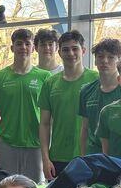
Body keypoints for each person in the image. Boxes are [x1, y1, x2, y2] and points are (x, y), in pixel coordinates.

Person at [0, 28, 50, 181]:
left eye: (27, 44)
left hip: (35, 144)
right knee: (4, 187)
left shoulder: (45, 77)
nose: (23, 48)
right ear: (12, 48)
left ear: (33, 48)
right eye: (19, 44)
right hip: (6, 143)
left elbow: (50, 115)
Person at [38, 30, 98, 178]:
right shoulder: (50, 82)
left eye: (75, 48)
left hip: (89, 156)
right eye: (65, 49)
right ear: (59, 53)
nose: (70, 53)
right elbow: (44, 124)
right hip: (58, 156)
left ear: (83, 51)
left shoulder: (95, 80)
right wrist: (45, 159)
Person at [79, 38, 121, 155]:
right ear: (95, 61)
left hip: (120, 156)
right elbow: (85, 129)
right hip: (94, 155)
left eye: (111, 57)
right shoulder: (86, 91)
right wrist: (84, 158)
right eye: (100, 56)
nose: (104, 61)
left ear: (119, 61)